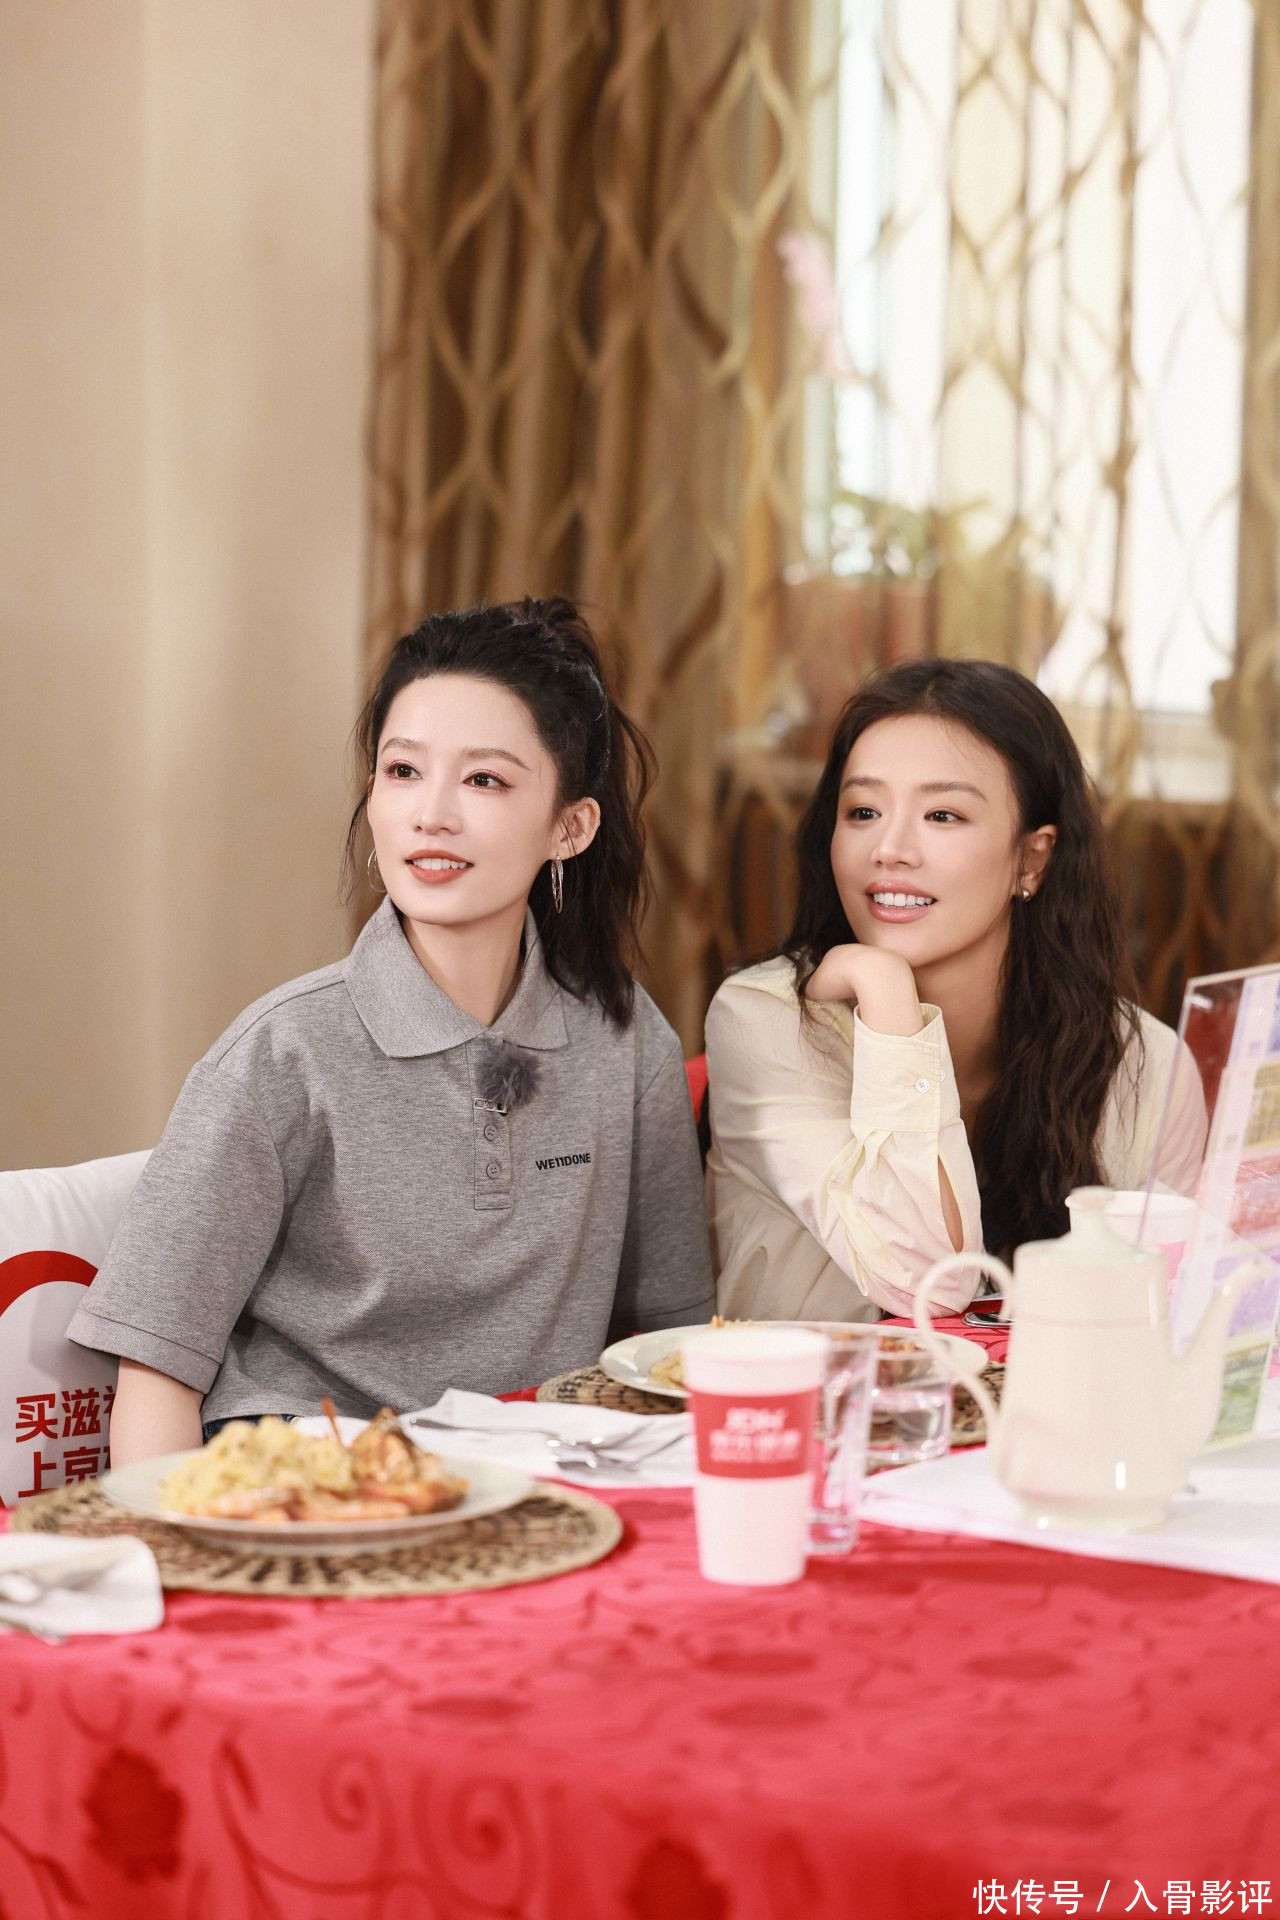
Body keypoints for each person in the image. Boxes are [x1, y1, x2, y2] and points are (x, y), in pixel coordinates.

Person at [71, 597, 714, 1464]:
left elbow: (669, 1343)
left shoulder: (627, 1041)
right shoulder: (282, 1052)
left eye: (484, 780)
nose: (430, 814)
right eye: (403, 770)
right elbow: (156, 1369)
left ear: (571, 827)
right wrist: (188, 1542)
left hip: (536, 1475)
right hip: (305, 1473)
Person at [705, 658, 1206, 1323]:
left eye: (942, 815)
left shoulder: (1145, 1066)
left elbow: (1180, 1320)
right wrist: (889, 1001)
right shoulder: (767, 1020)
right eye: (863, 811)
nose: (889, 848)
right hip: (809, 1394)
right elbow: (927, 1282)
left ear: (1032, 857)